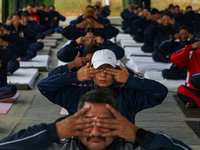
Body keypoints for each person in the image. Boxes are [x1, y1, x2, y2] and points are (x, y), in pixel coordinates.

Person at [0, 89, 192, 150]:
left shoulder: (133, 145)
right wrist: (52, 131)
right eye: (88, 121)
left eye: (106, 123)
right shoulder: (60, 144)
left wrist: (141, 136)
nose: (96, 131)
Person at [38, 49, 168, 124]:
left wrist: (130, 79)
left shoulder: (127, 93)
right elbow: (43, 86)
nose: (103, 74)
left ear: (116, 71)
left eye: (108, 69)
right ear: (90, 70)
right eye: (99, 69)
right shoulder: (79, 92)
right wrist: (74, 76)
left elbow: (160, 92)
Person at [57, 30, 124, 62]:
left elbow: (120, 54)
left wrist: (105, 42)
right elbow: (61, 56)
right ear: (83, 40)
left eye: (93, 38)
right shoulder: (78, 51)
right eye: (87, 38)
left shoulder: (103, 50)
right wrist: (74, 43)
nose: (90, 40)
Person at [171, 39, 200, 108]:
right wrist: (190, 47)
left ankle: (195, 102)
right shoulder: (191, 54)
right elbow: (174, 58)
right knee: (181, 89)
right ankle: (196, 102)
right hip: (195, 90)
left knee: (195, 78)